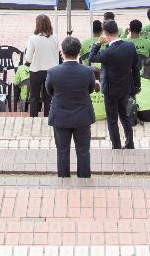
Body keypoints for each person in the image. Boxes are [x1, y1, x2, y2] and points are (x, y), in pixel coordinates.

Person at [45, 36, 95, 178]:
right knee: (83, 150)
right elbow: (90, 89)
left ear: (62, 52)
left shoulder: (53, 72)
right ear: (79, 52)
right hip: (82, 116)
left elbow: (50, 91)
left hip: (60, 116)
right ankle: (84, 177)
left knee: (62, 150)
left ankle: (63, 177)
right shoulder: (88, 71)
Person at [89, 19, 139, 150]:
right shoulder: (130, 46)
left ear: (105, 34)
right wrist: (137, 86)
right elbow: (135, 68)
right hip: (125, 87)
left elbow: (91, 57)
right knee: (125, 116)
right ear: (117, 30)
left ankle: (116, 145)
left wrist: (98, 43)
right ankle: (130, 143)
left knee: (112, 119)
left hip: (110, 89)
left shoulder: (107, 52)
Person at [23, 14, 59, 119]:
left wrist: (27, 62)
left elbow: (28, 58)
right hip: (52, 70)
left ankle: (33, 118)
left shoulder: (33, 39)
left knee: (34, 97)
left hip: (36, 70)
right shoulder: (55, 37)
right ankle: (48, 118)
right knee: (48, 97)